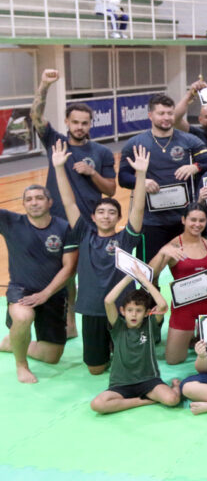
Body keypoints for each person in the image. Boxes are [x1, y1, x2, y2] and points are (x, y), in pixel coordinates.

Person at [27, 68, 115, 334]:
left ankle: (93, 318)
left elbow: (111, 190)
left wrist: (92, 173)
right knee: (58, 273)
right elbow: (35, 116)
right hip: (54, 223)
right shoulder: (55, 142)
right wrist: (44, 85)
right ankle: (66, 322)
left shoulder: (101, 152)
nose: (79, 127)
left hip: (88, 223)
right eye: (75, 122)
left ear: (91, 124)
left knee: (85, 272)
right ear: (67, 122)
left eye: (85, 123)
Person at [53, 141, 146, 375]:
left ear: (118, 218)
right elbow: (68, 202)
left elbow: (138, 209)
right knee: (96, 369)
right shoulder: (84, 234)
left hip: (124, 309)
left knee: (129, 364)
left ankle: (121, 346)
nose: (106, 216)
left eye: (112, 212)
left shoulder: (126, 238)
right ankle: (108, 350)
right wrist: (59, 168)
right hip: (93, 309)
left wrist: (141, 174)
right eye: (101, 212)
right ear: (93, 217)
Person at [117, 93, 207, 265]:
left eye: (170, 113)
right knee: (148, 271)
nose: (167, 117)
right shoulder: (135, 144)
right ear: (150, 115)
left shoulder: (189, 140)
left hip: (184, 220)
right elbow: (123, 178)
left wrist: (196, 166)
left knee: (189, 269)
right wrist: (141, 182)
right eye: (161, 113)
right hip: (151, 222)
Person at [0, 185, 78, 383]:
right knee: (23, 317)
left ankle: (12, 343)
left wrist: (46, 294)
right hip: (21, 290)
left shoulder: (64, 228)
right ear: (23, 204)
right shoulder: (10, 221)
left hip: (53, 294)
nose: (34, 203)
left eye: (39, 198)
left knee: (51, 357)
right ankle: (22, 365)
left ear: (49, 202)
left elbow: (69, 268)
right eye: (29, 199)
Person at [90, 270, 180, 414]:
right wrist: (128, 278)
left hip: (148, 381)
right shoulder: (118, 326)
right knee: (97, 405)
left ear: (146, 313)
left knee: (172, 400)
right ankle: (142, 401)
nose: (133, 314)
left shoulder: (149, 325)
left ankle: (175, 387)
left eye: (138, 311)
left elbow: (162, 306)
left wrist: (144, 281)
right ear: (122, 311)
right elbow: (108, 301)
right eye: (130, 310)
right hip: (121, 384)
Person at [148, 205, 207, 364]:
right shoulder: (173, 247)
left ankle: (199, 337)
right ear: (183, 220)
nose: (197, 224)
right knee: (173, 360)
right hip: (183, 308)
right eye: (193, 220)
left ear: (206, 221)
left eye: (201, 220)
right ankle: (191, 337)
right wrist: (162, 252)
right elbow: (150, 275)